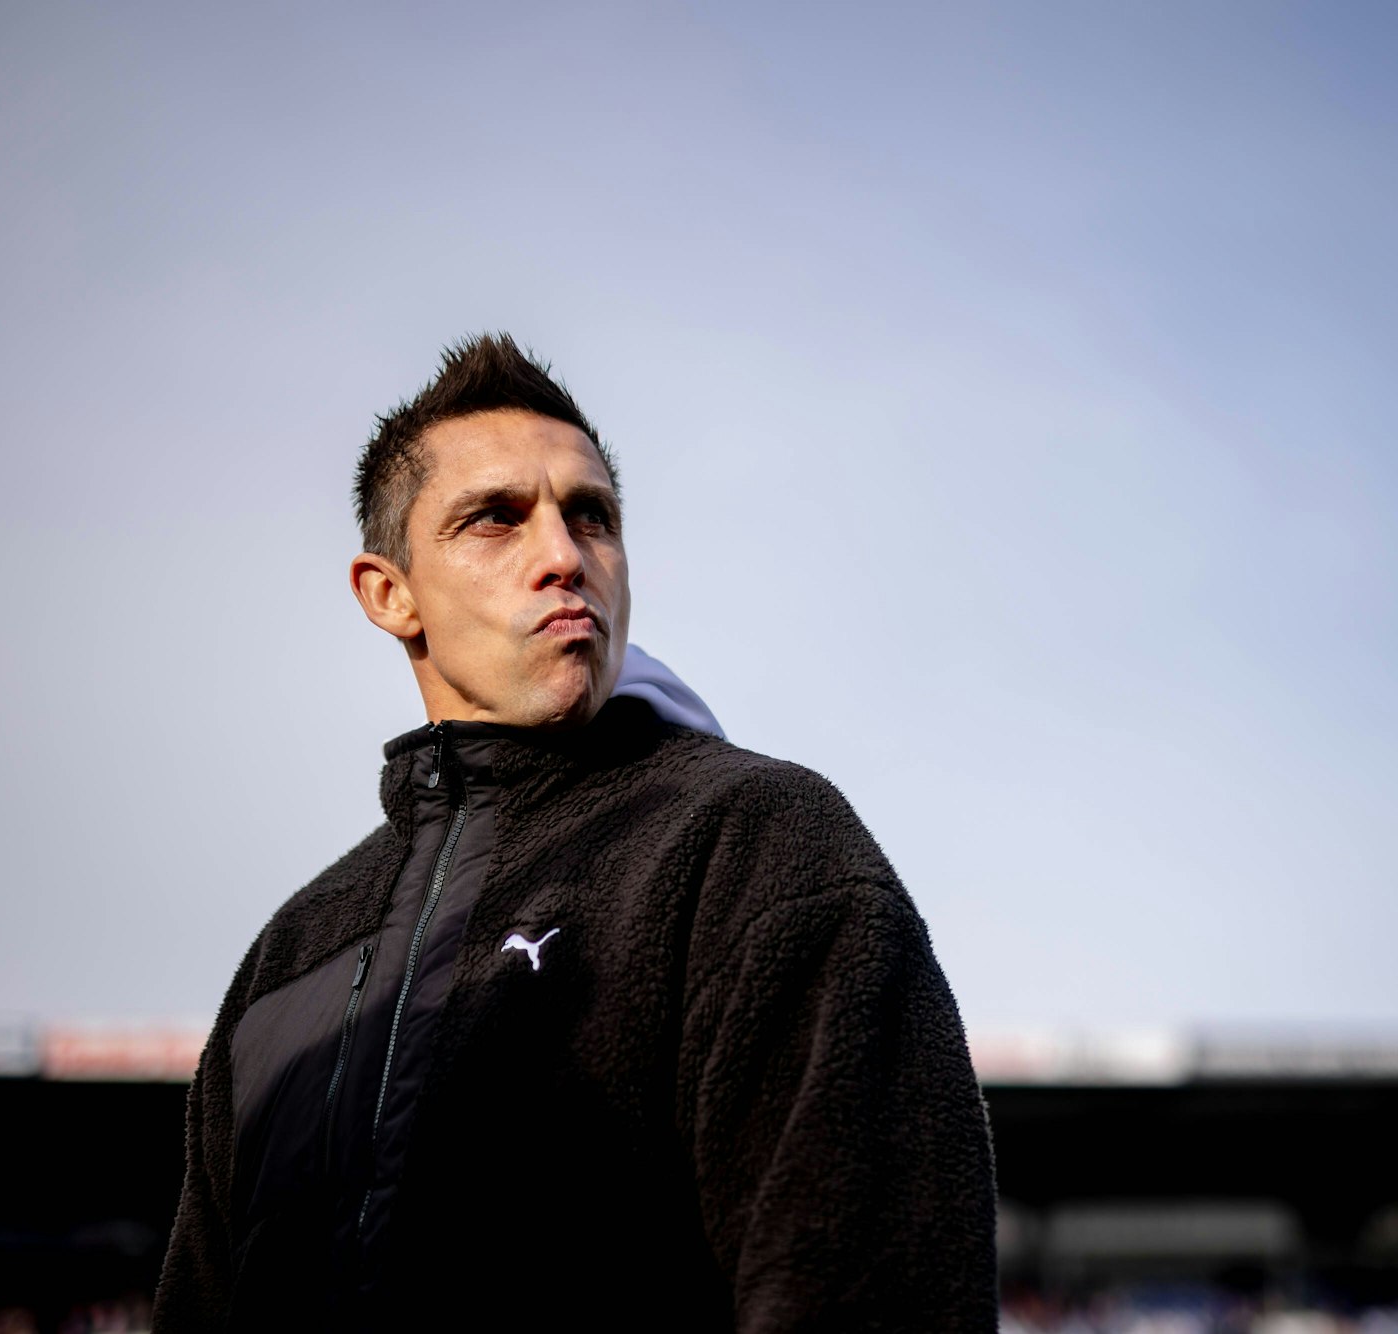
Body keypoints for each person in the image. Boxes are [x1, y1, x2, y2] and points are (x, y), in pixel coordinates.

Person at [154, 334, 998, 1330]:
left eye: (590, 516)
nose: (563, 557)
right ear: (391, 593)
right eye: (495, 518)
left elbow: (872, 1294)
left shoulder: (753, 844)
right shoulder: (288, 961)